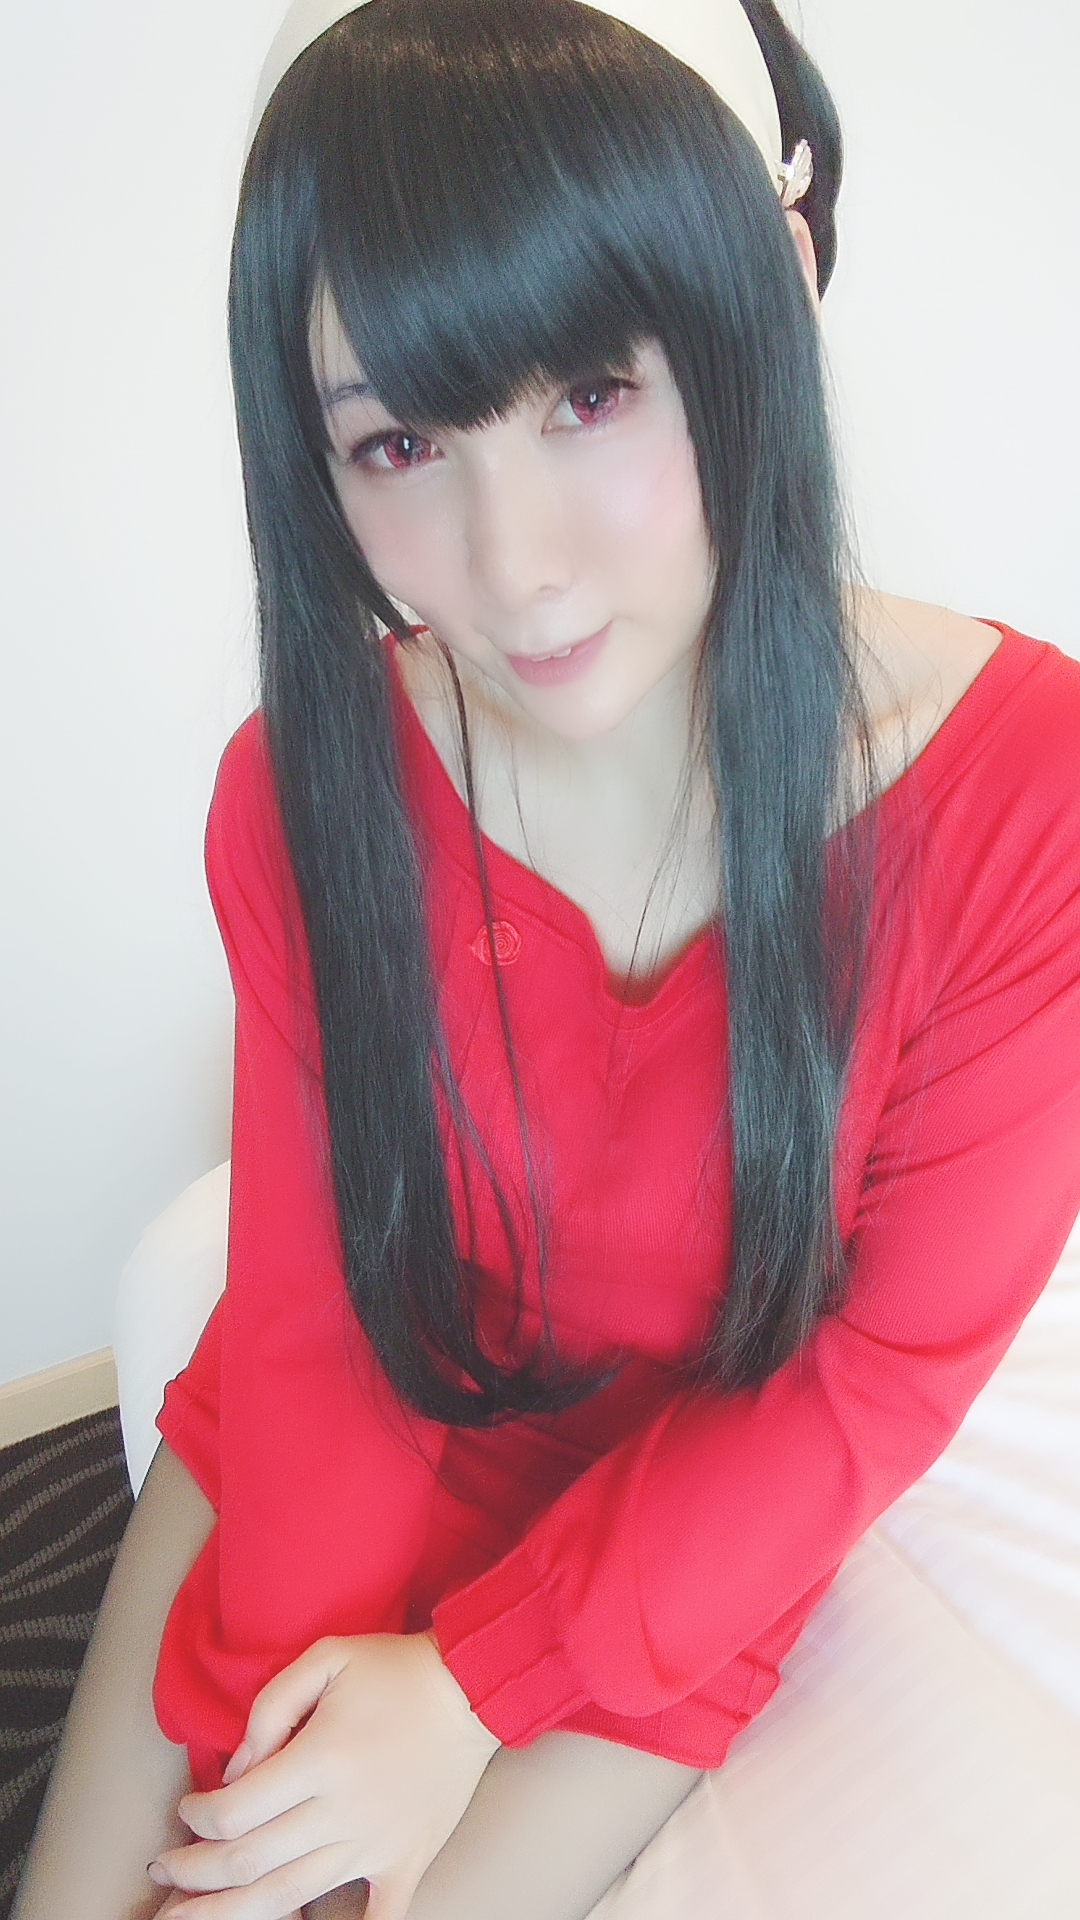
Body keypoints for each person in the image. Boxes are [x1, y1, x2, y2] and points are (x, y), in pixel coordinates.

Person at [13, 2, 1080, 1917]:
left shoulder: (1030, 805)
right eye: (400, 441)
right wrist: (274, 1750)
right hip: (344, 1414)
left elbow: (867, 1391)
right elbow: (320, 1311)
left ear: (774, 286)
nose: (513, 567)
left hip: (676, 1526)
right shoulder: (311, 782)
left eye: (592, 393)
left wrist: (464, 1695)